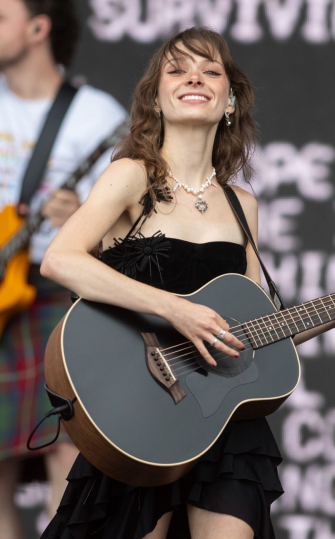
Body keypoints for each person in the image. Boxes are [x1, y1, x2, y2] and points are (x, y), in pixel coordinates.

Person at [39, 27, 335, 539]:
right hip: (138, 409)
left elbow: (251, 335)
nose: (194, 77)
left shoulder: (243, 206)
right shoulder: (130, 175)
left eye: (211, 71)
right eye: (177, 69)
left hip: (222, 421)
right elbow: (60, 260)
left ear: (230, 100)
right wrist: (176, 309)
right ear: (156, 98)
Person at [0, 0, 126, 536]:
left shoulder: (98, 116)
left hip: (59, 291)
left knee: (66, 451)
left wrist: (83, 222)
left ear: (38, 27)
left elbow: (130, 226)